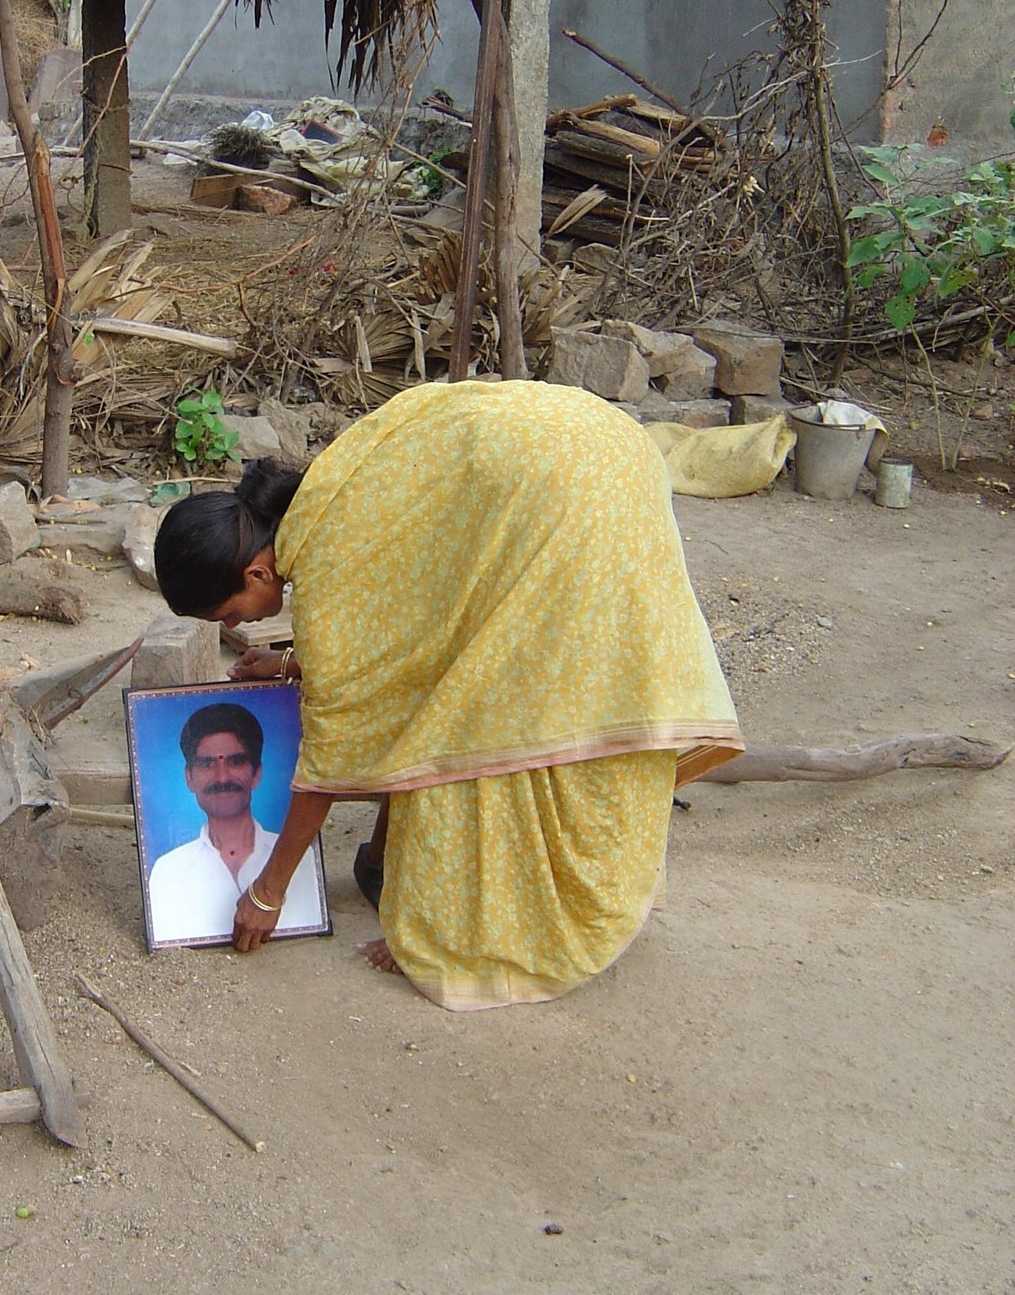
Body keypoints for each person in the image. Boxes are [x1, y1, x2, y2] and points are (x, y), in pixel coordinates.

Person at [153, 379, 743, 1011]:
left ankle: (498, 932)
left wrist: (268, 892)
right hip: (603, 443)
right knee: (465, 678)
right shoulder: (326, 495)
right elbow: (413, 633)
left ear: (257, 572)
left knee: (495, 706)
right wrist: (299, 662)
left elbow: (326, 765)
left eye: (231, 613)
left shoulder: (325, 570)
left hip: (565, 496)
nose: (238, 629)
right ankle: (387, 868)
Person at [145, 701, 324, 944]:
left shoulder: (300, 862)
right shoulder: (168, 872)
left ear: (257, 773)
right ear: (189, 778)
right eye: (208, 764)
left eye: (236, 761)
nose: (222, 777)